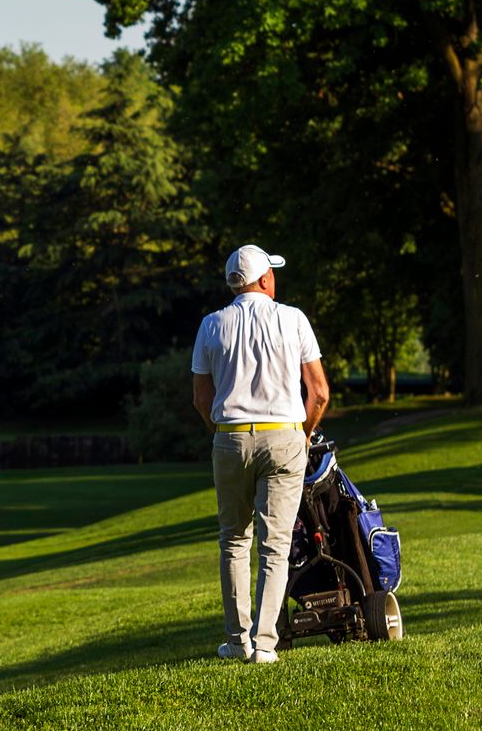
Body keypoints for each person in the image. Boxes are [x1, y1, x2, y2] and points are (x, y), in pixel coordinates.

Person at [191, 244, 329, 664]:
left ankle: (238, 642)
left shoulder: (211, 325)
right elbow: (319, 392)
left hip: (230, 437)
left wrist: (225, 435)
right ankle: (265, 646)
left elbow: (201, 398)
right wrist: (303, 435)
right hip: (284, 436)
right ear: (266, 279)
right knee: (275, 545)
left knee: (233, 541)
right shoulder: (293, 319)